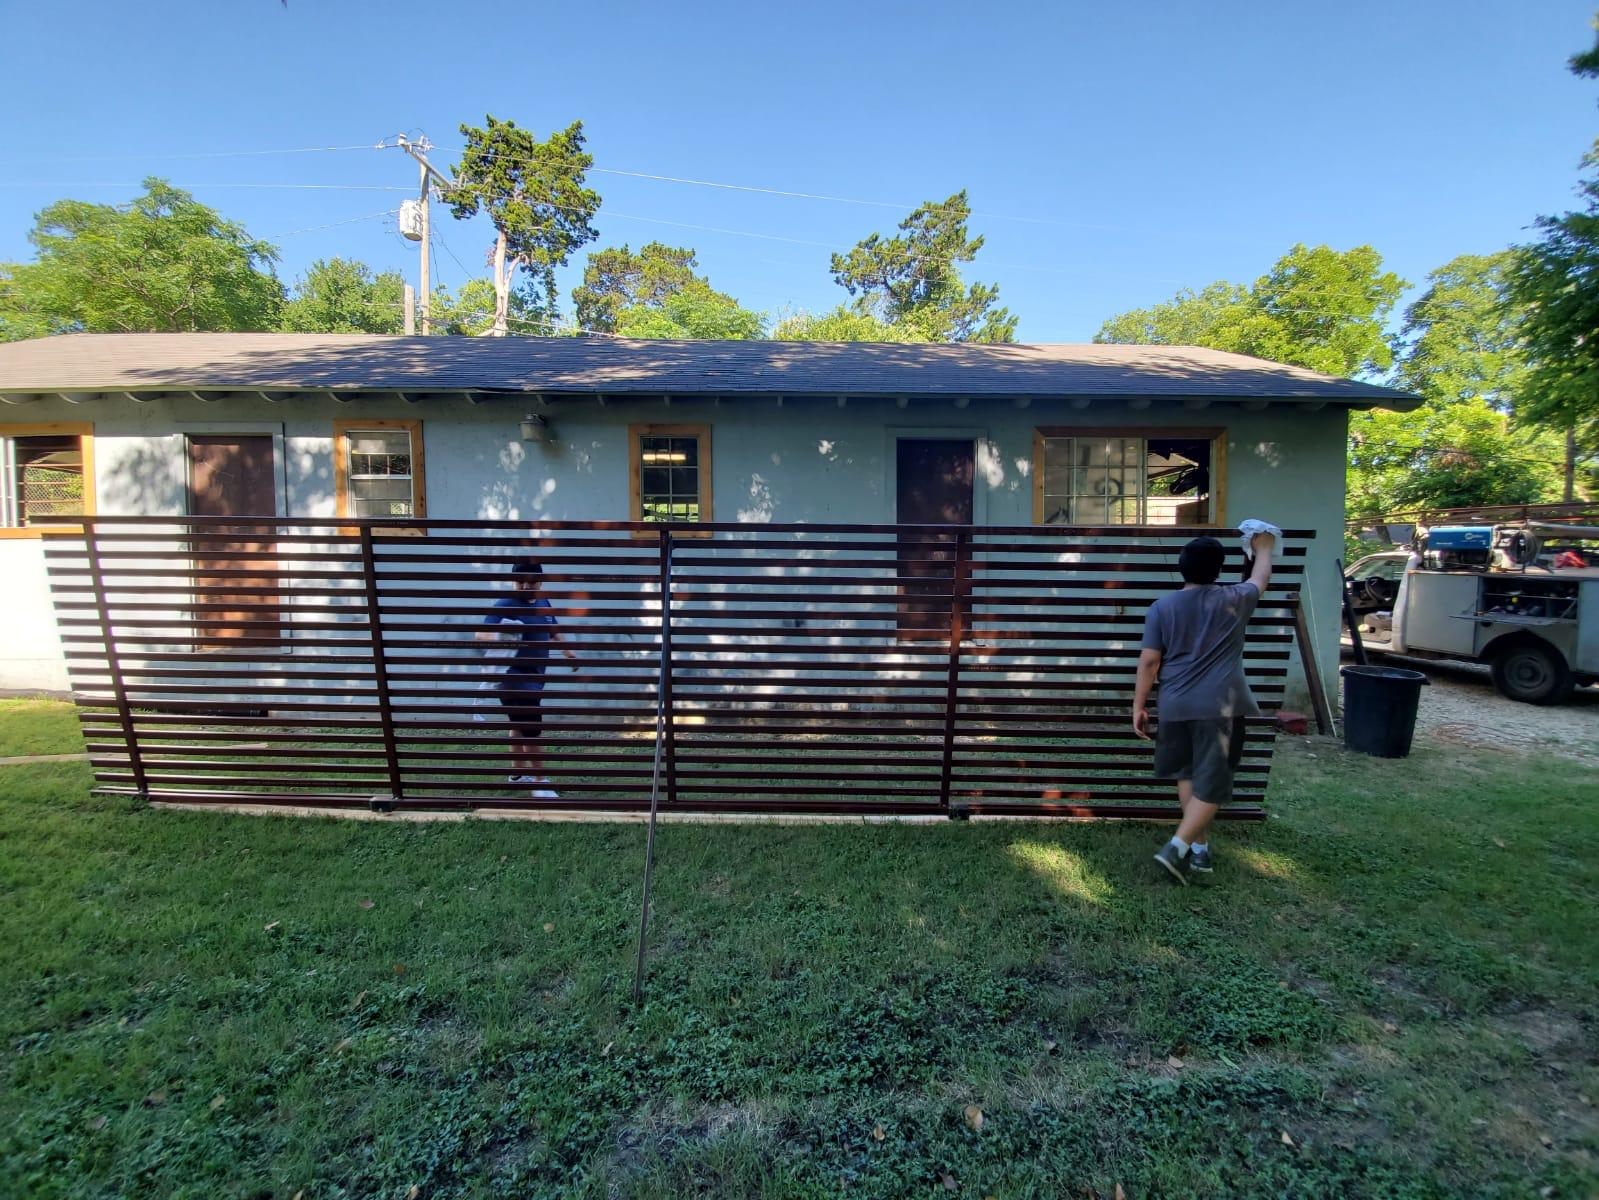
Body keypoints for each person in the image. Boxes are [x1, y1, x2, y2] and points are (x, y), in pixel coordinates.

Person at [1132, 528, 1275, 884]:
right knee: (1213, 781)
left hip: (1175, 704)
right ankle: (1177, 846)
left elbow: (1149, 662)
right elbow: (1261, 576)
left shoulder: (1161, 607)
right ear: (1218, 569)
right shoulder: (1236, 598)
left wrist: (1138, 705)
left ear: (1182, 567)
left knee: (1188, 775)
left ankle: (1199, 852)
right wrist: (1264, 547)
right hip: (1220, 707)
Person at [475, 557, 576, 799]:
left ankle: (517, 774)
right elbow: (481, 635)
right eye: (520, 581)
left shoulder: (543, 602)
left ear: (540, 582)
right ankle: (540, 782)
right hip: (511, 677)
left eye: (531, 582)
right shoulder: (505, 604)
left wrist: (567, 651)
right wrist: (505, 637)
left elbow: (553, 628)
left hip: (535, 676)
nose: (525, 586)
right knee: (531, 727)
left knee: (518, 725)